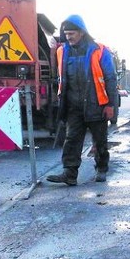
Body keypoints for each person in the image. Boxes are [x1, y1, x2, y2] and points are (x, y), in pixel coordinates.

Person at [46, 14, 117, 186]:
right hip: (73, 106)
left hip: (96, 105)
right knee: (71, 140)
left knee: (100, 141)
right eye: (66, 33)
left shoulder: (100, 51)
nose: (68, 37)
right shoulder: (62, 51)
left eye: (72, 33)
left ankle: (101, 168)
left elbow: (110, 78)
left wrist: (110, 105)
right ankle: (69, 173)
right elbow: (60, 78)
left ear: (82, 33)